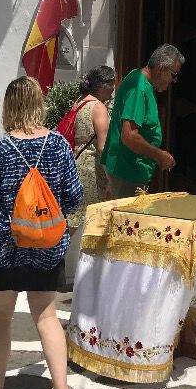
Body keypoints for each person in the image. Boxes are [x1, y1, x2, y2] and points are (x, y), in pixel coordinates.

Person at [0, 76, 82, 389]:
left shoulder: (1, 148)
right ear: (38, 103)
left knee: (1, 319)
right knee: (47, 317)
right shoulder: (59, 144)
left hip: (7, 247)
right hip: (47, 247)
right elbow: (74, 195)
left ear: (9, 107)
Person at [101, 44, 184, 198]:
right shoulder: (138, 88)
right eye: (173, 74)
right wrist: (160, 155)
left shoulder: (139, 78)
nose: (174, 80)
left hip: (131, 172)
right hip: (127, 173)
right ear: (161, 69)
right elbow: (129, 136)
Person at [64, 65, 115, 283]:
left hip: (75, 166)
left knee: (71, 222)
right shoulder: (99, 108)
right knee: (95, 222)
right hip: (92, 171)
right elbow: (103, 147)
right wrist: (111, 180)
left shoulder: (80, 103)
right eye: (111, 85)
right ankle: (93, 277)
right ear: (103, 86)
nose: (113, 90)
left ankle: (52, 265)